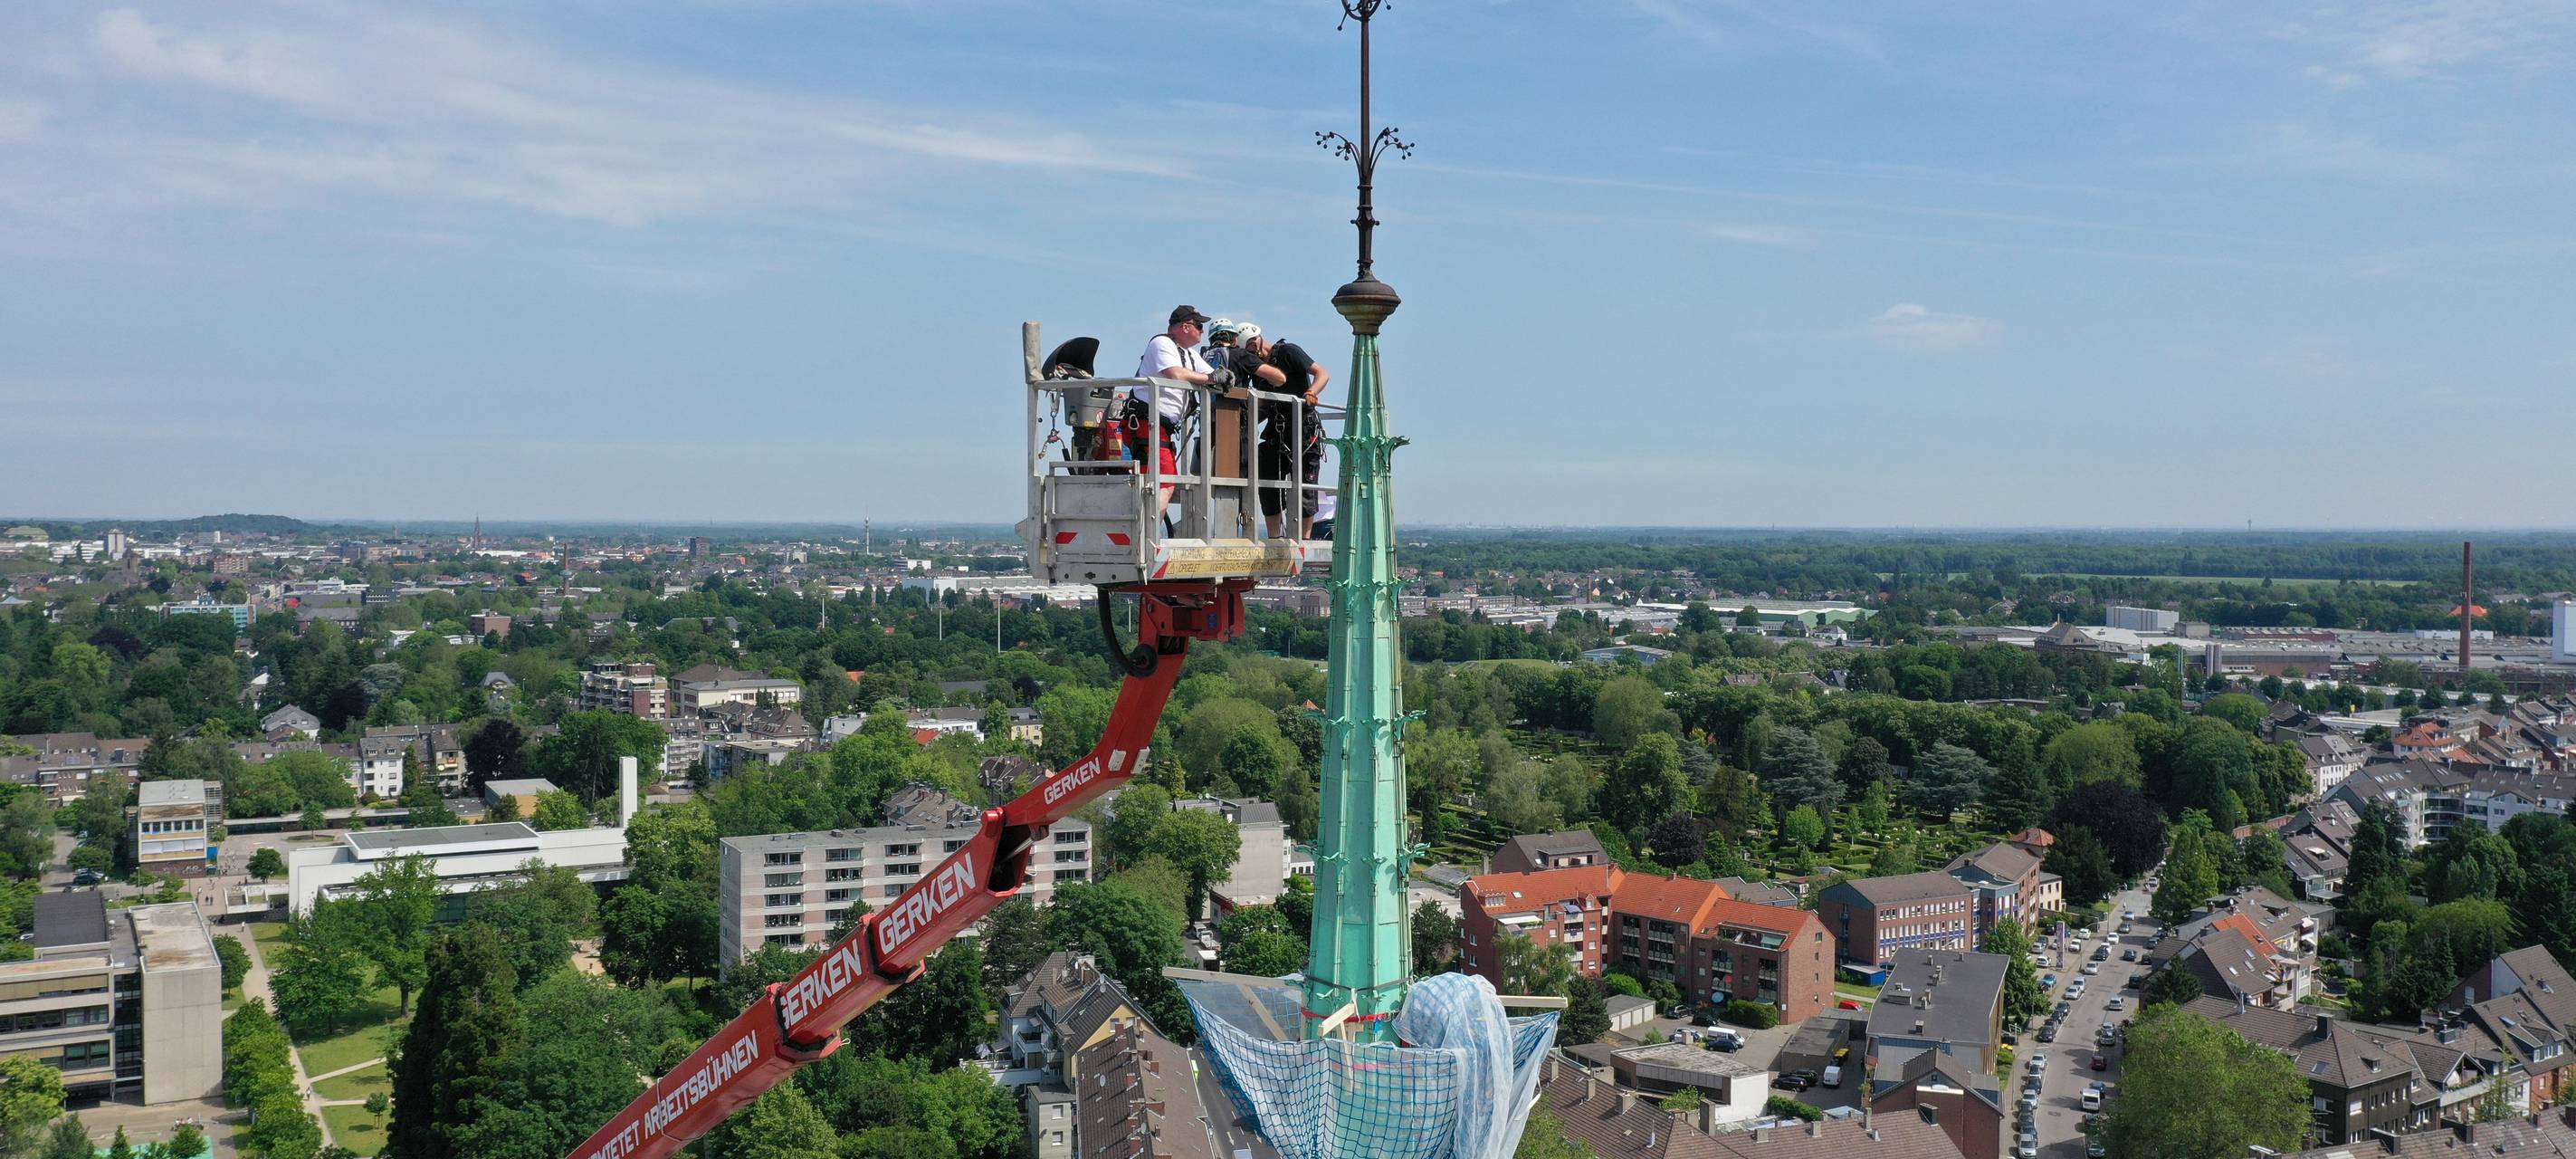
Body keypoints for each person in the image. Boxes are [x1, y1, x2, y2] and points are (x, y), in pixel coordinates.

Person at [1134, 305, 1234, 522]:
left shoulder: (1188, 354)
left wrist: (1223, 376)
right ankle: (1148, 536)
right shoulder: (1161, 344)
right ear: (1185, 327)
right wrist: (1212, 379)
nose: (1202, 331)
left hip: (1159, 427)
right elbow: (1176, 374)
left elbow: (1211, 374)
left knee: (1159, 482)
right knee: (1165, 483)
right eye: (1199, 326)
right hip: (1148, 424)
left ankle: (1145, 533)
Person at [1244, 328, 1331, 538]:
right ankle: (1275, 536)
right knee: (1267, 480)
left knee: (1305, 485)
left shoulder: (1288, 352)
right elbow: (1264, 403)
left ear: (1254, 344)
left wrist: (1312, 391)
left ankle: (1305, 539)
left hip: (1304, 428)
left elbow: (1322, 373)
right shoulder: (1257, 369)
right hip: (1277, 429)